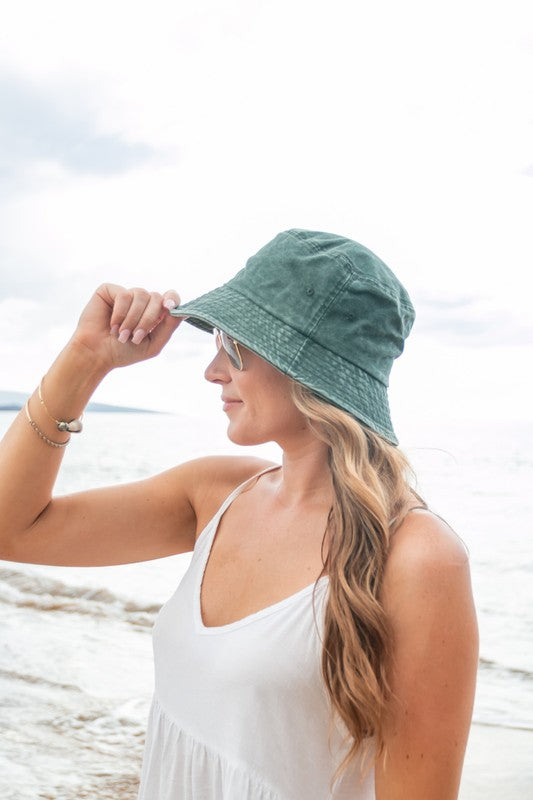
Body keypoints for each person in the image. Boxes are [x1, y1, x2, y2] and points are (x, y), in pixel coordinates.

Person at [0, 228, 478, 799]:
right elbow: (12, 529)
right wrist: (84, 361)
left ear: (307, 369)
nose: (211, 371)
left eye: (233, 348)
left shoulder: (419, 558)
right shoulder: (215, 494)